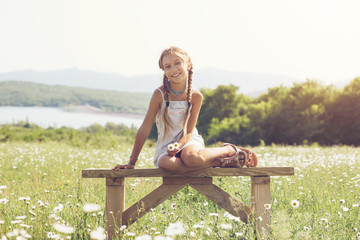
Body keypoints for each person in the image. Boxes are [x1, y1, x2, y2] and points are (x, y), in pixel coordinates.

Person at [113, 46, 257, 172]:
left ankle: (228, 149)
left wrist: (180, 144)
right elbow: (144, 128)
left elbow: (189, 131)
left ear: (188, 65)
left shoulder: (196, 96)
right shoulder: (159, 94)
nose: (173, 69)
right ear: (164, 70)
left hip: (188, 141)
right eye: (167, 66)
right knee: (164, 163)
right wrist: (132, 162)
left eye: (177, 63)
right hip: (167, 145)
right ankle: (223, 161)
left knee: (192, 158)